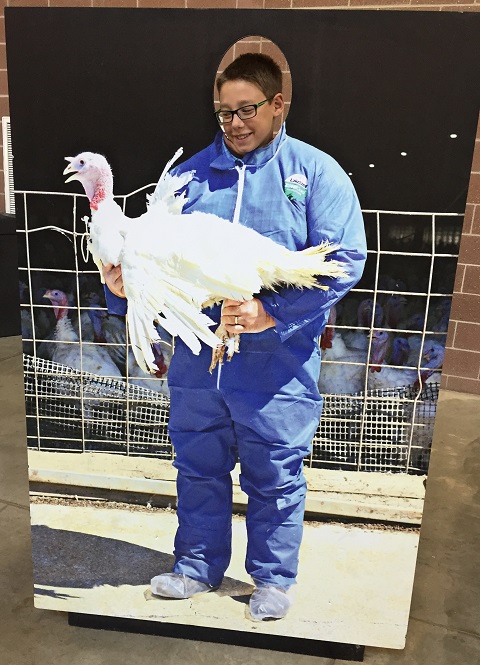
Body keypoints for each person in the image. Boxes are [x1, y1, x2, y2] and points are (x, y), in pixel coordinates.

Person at [103, 52, 367, 621]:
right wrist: (124, 286)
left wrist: (272, 313)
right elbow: (143, 256)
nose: (235, 124)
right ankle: (197, 565)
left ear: (278, 105)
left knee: (274, 471)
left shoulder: (316, 173)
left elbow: (343, 261)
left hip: (277, 365)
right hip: (199, 358)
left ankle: (271, 578)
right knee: (198, 465)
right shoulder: (188, 178)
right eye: (223, 112)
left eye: (247, 110)